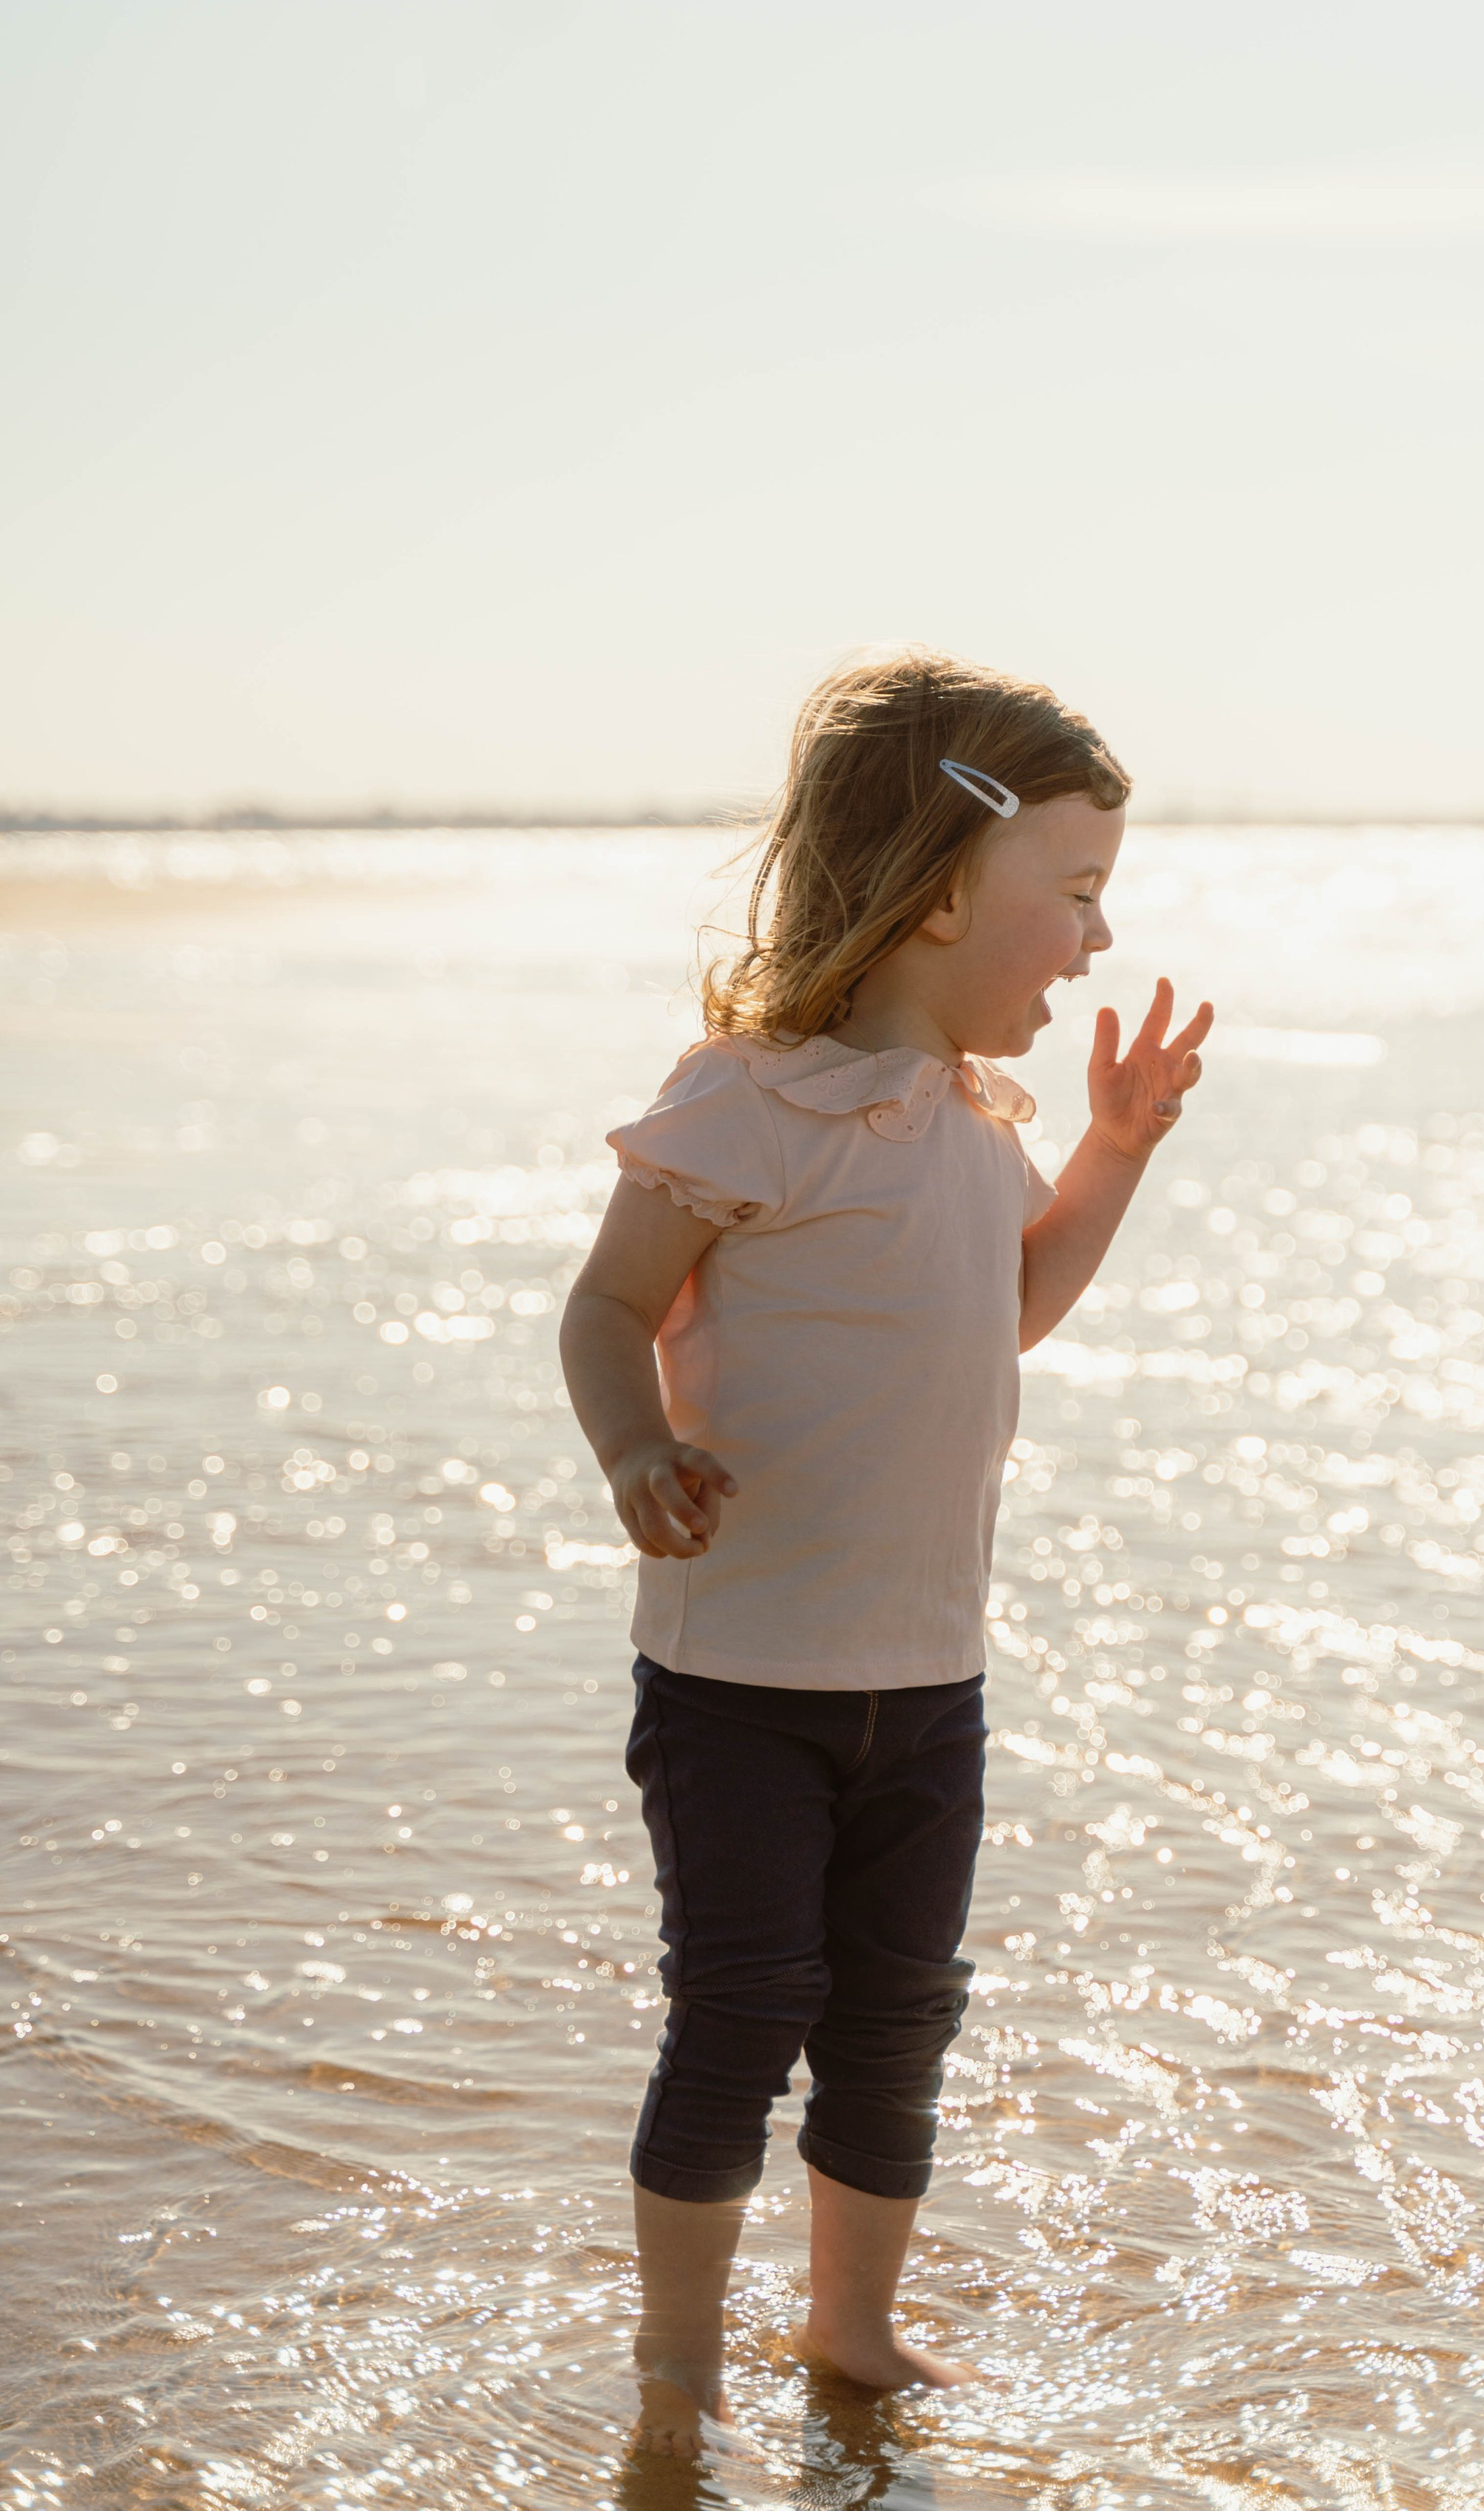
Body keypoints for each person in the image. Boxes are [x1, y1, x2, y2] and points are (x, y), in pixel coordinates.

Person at [560, 650, 1211, 2455]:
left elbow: (1005, 1311)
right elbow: (607, 1308)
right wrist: (634, 1441)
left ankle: (852, 2328)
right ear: (937, 889)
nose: (1096, 937)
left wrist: (1111, 1150)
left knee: (898, 2022)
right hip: (739, 1686)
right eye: (1071, 896)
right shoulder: (748, 1099)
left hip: (927, 1683)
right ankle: (676, 2372)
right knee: (738, 2013)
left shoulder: (970, 1128)